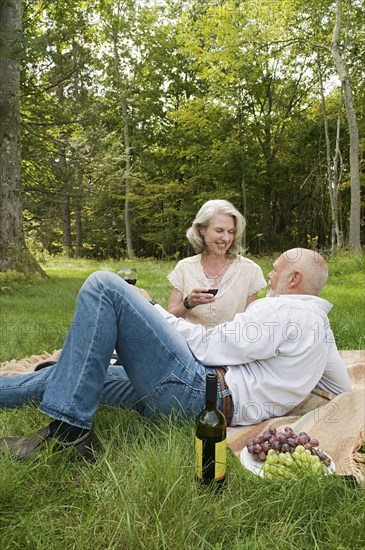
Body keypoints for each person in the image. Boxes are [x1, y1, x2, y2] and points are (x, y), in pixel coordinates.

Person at [0, 248, 352, 459]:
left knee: (103, 284)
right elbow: (339, 387)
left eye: (276, 268)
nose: (270, 272)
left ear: (292, 279)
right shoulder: (320, 327)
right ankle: (60, 384)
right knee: (72, 376)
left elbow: (203, 346)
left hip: (196, 393)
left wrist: (150, 306)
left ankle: (69, 431)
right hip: (204, 398)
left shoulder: (283, 312)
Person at [167, 200, 266, 325]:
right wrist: (188, 303)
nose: (226, 238)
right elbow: (169, 319)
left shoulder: (250, 270)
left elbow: (250, 323)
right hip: (190, 343)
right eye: (219, 230)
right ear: (202, 230)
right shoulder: (184, 267)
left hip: (231, 343)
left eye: (231, 231)